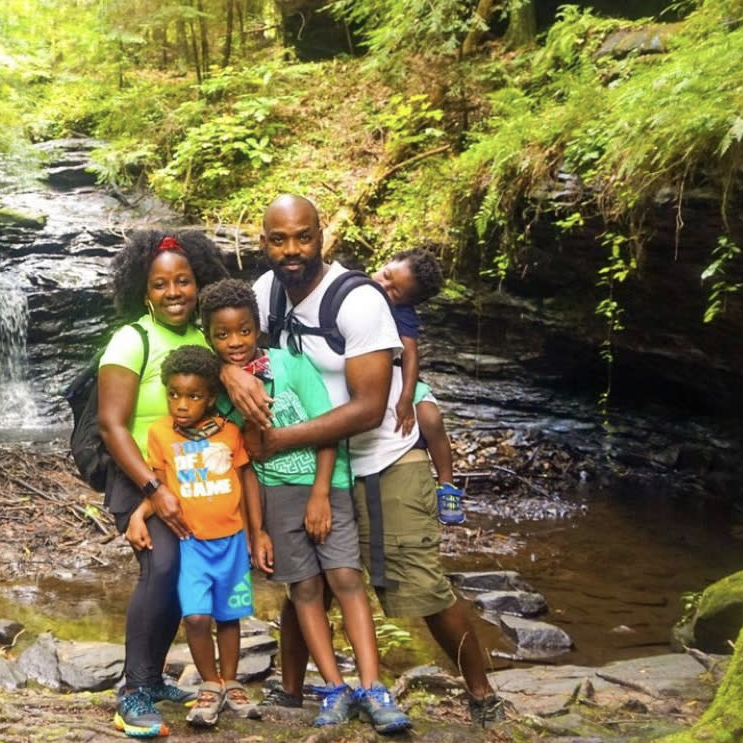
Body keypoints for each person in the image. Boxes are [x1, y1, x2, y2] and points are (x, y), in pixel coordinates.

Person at [222, 195, 504, 729]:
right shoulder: (264, 294)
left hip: (382, 459)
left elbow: (370, 408)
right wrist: (228, 373)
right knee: (307, 581)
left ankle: (482, 694)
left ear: (322, 235)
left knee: (418, 583)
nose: (292, 250)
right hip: (311, 468)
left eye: (303, 237)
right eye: (278, 239)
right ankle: (290, 693)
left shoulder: (358, 300)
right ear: (263, 243)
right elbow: (225, 339)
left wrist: (281, 440)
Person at [198, 278, 411, 734]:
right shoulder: (222, 394)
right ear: (208, 337)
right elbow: (247, 468)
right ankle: (335, 688)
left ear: (259, 328)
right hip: (275, 496)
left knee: (346, 578)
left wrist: (320, 494)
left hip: (325, 484)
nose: (234, 342)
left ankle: (373, 687)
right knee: (305, 590)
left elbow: (325, 428)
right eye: (222, 334)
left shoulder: (291, 364)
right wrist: (258, 530)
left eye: (243, 331)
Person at [97, 229, 228, 738]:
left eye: (183, 281)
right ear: (143, 290)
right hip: (141, 478)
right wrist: (154, 490)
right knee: (163, 565)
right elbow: (112, 425)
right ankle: (132, 690)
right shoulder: (133, 339)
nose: (173, 292)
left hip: (195, 478)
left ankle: (151, 679)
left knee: (185, 573)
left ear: (199, 283)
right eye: (160, 284)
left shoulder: (204, 338)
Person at [125, 345, 264, 728]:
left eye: (193, 396)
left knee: (230, 616)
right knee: (198, 617)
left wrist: (257, 532)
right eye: (173, 394)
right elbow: (161, 489)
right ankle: (209, 683)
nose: (181, 404)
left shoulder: (231, 433)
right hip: (193, 545)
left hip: (232, 541)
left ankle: (231, 683)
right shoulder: (159, 434)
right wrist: (139, 514)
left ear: (211, 398)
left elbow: (246, 479)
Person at [371, 247, 466, 525]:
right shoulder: (354, 286)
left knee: (430, 417)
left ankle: (447, 486)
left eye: (395, 291)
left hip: (398, 374)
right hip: (366, 374)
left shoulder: (402, 313)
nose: (383, 285)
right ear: (387, 262)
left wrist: (406, 397)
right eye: (386, 275)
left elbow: (410, 355)